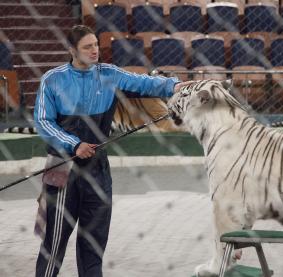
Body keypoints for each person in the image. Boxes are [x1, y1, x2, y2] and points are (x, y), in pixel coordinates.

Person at [34, 25, 185, 277]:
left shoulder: (109, 74)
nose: (95, 51)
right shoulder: (53, 79)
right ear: (72, 50)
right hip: (62, 166)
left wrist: (175, 86)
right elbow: (43, 121)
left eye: (95, 45)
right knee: (54, 242)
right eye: (87, 47)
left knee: (94, 243)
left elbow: (144, 83)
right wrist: (74, 144)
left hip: (97, 168)